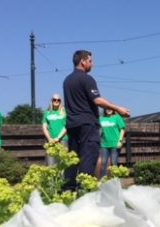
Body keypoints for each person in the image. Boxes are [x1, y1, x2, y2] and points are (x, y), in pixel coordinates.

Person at [63, 50, 130, 191]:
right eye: (90, 61)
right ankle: (84, 188)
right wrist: (118, 108)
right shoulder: (87, 79)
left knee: (73, 157)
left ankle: (67, 189)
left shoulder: (67, 80)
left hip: (72, 124)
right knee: (89, 156)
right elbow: (97, 99)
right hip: (87, 124)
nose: (92, 64)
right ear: (83, 61)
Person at [99, 108, 126, 178]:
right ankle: (103, 181)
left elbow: (122, 129)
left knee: (114, 163)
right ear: (104, 110)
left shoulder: (117, 117)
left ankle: (115, 180)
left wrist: (120, 141)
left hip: (115, 144)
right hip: (104, 144)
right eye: (107, 108)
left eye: (110, 108)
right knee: (103, 163)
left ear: (113, 110)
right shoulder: (101, 119)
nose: (108, 110)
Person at [42, 93, 67, 166]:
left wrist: (58, 138)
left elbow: (66, 126)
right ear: (51, 101)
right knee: (51, 164)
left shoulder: (64, 112)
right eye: (54, 99)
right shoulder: (47, 113)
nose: (56, 101)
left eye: (58, 100)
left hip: (63, 140)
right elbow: (44, 126)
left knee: (62, 164)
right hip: (50, 141)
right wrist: (49, 138)